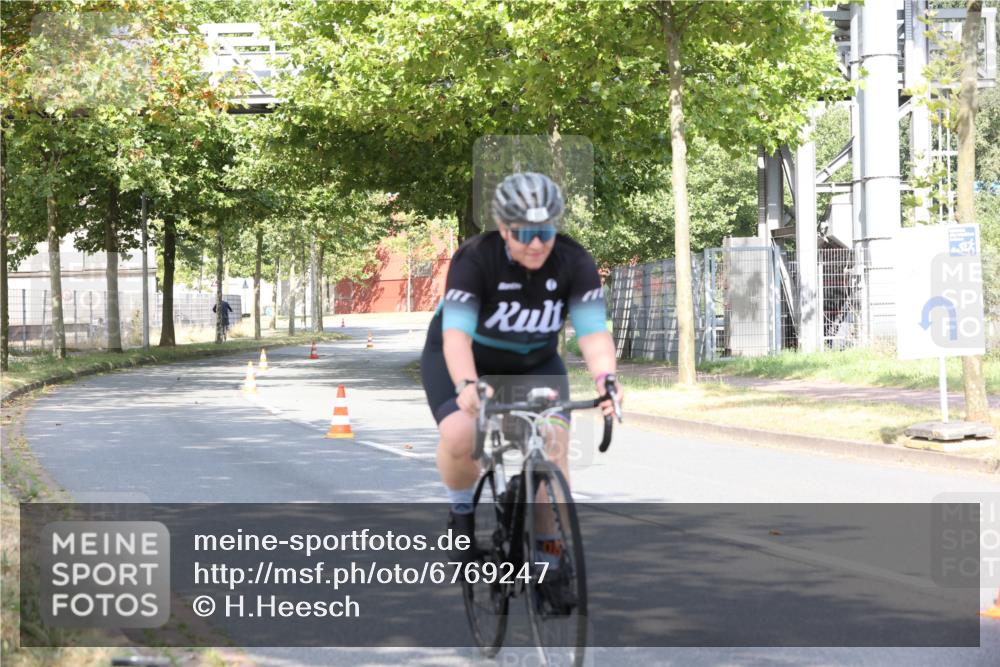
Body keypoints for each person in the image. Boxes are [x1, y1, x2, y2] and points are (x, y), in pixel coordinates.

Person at [421, 172, 624, 558]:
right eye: (522, 233)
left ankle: (549, 556)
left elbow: (594, 333)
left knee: (555, 447)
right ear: (503, 229)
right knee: (464, 436)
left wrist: (606, 380)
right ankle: (461, 511)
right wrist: (466, 384)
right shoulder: (476, 258)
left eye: (544, 233)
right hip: (468, 360)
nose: (535, 244)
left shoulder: (574, 261)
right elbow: (457, 338)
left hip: (534, 362)